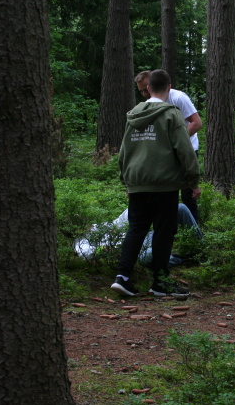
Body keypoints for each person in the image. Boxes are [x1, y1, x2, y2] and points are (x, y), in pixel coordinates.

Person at [111, 69, 200, 297]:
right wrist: (192, 181)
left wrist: (126, 180)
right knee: (164, 231)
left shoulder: (133, 114)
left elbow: (124, 151)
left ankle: (122, 277)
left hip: (137, 182)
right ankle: (160, 283)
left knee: (136, 229)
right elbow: (185, 150)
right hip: (164, 184)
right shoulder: (171, 114)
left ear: (148, 88)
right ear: (169, 87)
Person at [134, 70, 202, 222]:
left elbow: (196, 123)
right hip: (164, 154)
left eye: (146, 89)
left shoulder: (178, 97)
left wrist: (175, 141)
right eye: (141, 91)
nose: (145, 94)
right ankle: (170, 226)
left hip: (186, 151)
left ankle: (193, 229)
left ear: (153, 84)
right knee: (166, 193)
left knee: (188, 195)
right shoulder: (147, 105)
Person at [75, 204, 202, 267]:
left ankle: (202, 248)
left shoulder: (97, 226)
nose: (85, 225)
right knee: (146, 256)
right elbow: (86, 253)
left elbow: (118, 222)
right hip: (134, 250)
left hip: (143, 236)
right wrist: (104, 249)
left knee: (181, 208)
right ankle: (181, 259)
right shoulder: (81, 242)